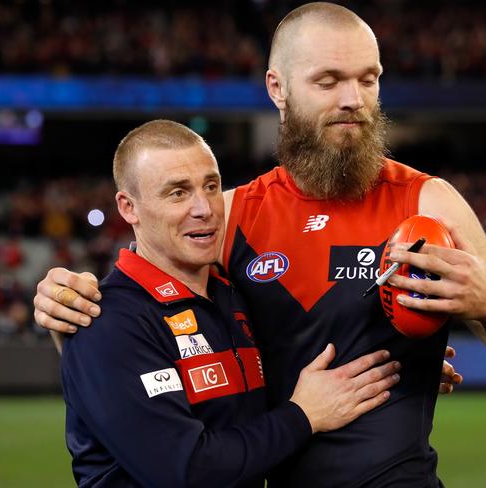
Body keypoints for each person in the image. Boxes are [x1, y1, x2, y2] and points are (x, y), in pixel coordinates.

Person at [34, 3, 486, 487]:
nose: (353, 100)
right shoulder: (233, 212)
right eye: (328, 81)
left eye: (368, 79)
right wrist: (70, 303)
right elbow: (136, 312)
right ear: (278, 88)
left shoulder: (428, 203)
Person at [61, 119, 402, 487]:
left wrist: (410, 356)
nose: (204, 208)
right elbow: (187, 471)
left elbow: (297, 352)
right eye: (178, 193)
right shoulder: (108, 321)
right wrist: (303, 416)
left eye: (211, 186)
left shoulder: (234, 296)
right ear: (130, 208)